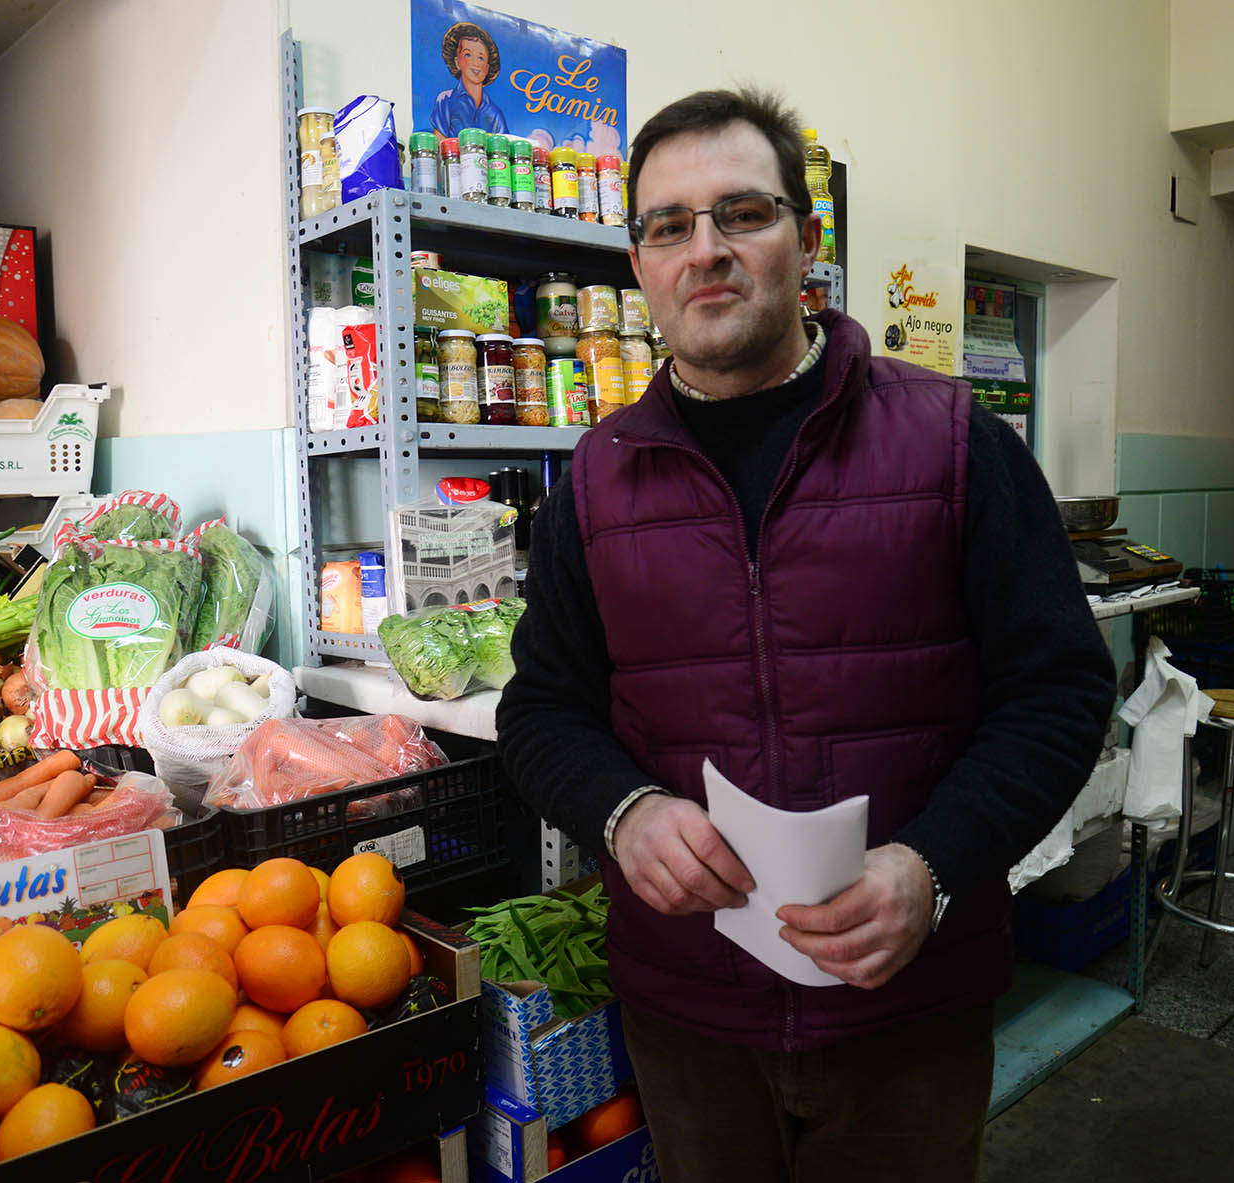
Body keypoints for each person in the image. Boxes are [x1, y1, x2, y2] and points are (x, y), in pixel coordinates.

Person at [496, 87, 1114, 1182]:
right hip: (689, 1013)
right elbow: (541, 708)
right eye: (668, 225)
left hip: (906, 1007)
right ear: (637, 262)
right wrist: (622, 809)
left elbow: (1059, 690)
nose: (706, 250)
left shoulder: (952, 442)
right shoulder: (595, 480)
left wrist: (933, 867)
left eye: (742, 213)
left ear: (805, 239)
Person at [430, 21, 508, 138]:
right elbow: (439, 143)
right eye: (468, 55)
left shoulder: (495, 113)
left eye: (481, 58)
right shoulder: (446, 100)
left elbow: (504, 148)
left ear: (487, 67)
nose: (475, 63)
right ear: (457, 62)